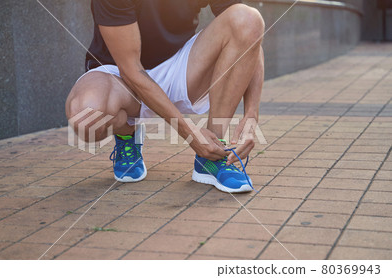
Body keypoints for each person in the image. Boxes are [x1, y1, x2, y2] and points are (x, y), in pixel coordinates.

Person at [66, 0, 265, 193]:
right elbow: (131, 71)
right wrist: (190, 134)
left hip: (179, 65)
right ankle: (126, 134)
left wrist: (251, 114)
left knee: (247, 17)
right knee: (86, 118)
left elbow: (249, 37)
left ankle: (212, 155)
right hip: (121, 75)